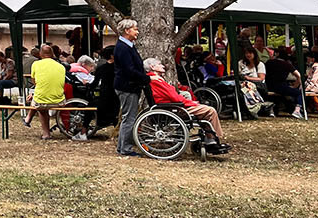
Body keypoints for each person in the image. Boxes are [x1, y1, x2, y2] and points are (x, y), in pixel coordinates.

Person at [143, 58, 230, 151]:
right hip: (172, 107)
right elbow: (175, 97)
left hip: (172, 105)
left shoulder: (156, 79)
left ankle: (210, 138)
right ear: (153, 67)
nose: (163, 66)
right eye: (160, 64)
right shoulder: (156, 80)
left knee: (204, 111)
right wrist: (191, 103)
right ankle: (214, 138)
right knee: (210, 111)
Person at [112, 19, 148, 158]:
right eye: (135, 29)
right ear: (127, 31)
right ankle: (125, 148)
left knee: (128, 117)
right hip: (127, 86)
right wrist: (146, 78)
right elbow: (129, 70)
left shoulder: (128, 46)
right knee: (129, 118)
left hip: (130, 86)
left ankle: (122, 147)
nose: (137, 31)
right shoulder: (123, 47)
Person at [23, 45, 67, 139]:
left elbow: (34, 82)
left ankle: (46, 133)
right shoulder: (61, 66)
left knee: (40, 105)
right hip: (60, 101)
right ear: (52, 54)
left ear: (40, 54)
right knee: (40, 97)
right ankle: (28, 119)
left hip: (42, 101)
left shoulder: (36, 64)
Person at [265, 46, 302, 117]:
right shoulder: (287, 64)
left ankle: (272, 110)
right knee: (300, 93)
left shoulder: (269, 62)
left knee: (280, 95)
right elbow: (298, 75)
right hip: (281, 87)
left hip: (268, 86)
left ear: (277, 54)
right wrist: (295, 86)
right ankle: (297, 110)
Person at [90, 46, 119, 133]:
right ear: (112, 56)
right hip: (116, 94)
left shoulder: (101, 68)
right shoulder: (119, 68)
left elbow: (95, 82)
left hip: (105, 94)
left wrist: (88, 86)